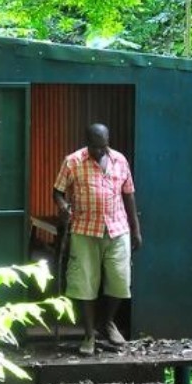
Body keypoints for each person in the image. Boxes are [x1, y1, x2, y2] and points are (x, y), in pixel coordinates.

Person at [53, 123, 142, 355]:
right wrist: (62, 206)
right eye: (95, 146)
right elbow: (58, 191)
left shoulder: (119, 160)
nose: (100, 151)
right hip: (85, 230)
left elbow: (129, 194)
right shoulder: (73, 161)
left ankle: (107, 321)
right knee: (85, 286)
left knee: (121, 282)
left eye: (104, 146)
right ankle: (89, 335)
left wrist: (136, 230)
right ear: (87, 142)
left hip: (117, 229)